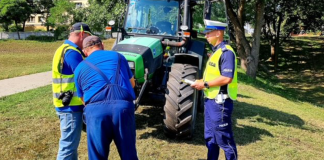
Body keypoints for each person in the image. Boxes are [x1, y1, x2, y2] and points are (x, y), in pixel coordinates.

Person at [74, 36, 138, 160]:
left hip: (95, 111)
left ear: (85, 51)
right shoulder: (118, 57)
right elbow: (132, 84)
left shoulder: (79, 68)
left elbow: (83, 99)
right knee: (129, 154)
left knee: (97, 156)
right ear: (102, 45)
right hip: (123, 109)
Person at [190, 19, 238, 160]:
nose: (206, 36)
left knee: (224, 139)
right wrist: (202, 81)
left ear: (218, 33)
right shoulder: (216, 51)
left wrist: (205, 85)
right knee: (210, 138)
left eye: (208, 33)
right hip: (211, 102)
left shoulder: (226, 52)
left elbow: (227, 78)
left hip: (220, 104)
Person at [52, 22, 92, 160]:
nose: (87, 42)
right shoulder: (72, 53)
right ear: (82, 34)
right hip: (71, 107)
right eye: (87, 37)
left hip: (65, 104)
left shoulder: (63, 49)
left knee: (71, 146)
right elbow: (85, 77)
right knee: (68, 147)